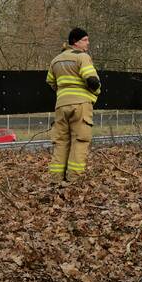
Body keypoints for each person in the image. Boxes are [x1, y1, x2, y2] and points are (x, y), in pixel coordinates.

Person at [45, 28, 100, 183]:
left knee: (61, 142)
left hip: (61, 106)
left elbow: (50, 81)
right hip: (80, 105)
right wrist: (96, 91)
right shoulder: (83, 57)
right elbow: (92, 80)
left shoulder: (55, 60)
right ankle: (73, 180)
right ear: (75, 41)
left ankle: (55, 179)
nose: (88, 43)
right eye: (85, 40)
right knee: (80, 140)